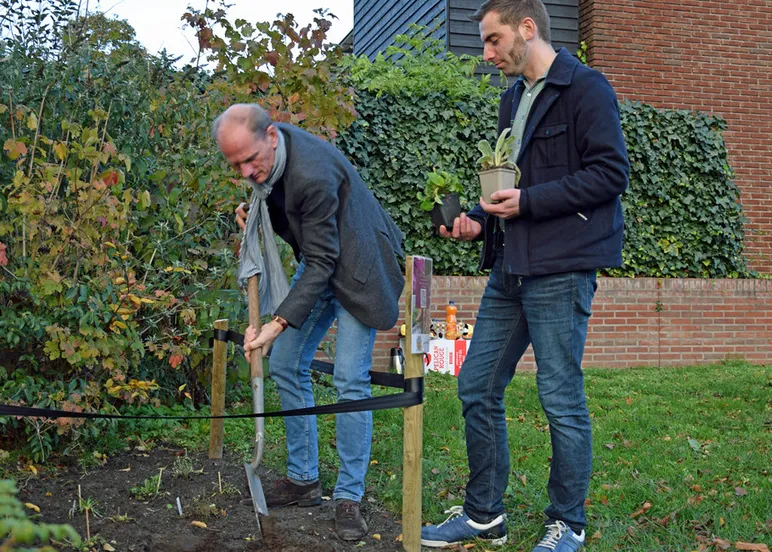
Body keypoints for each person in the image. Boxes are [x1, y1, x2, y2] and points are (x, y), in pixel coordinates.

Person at [420, 1, 630, 551]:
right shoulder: (513, 98)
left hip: (562, 268)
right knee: (476, 384)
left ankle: (569, 522)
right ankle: (485, 513)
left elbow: (610, 174)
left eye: (494, 40)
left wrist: (529, 201)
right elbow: (510, 185)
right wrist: (476, 219)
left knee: (559, 395)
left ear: (528, 28)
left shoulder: (585, 88)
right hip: (512, 268)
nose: (487, 54)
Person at [212, 103, 405, 541]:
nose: (245, 171)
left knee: (349, 380)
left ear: (272, 137)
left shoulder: (311, 173)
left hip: (359, 268)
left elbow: (322, 260)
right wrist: (255, 209)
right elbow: (284, 207)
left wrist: (276, 323)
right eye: (236, 164)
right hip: (322, 258)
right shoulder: (271, 159)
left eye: (250, 160)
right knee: (284, 364)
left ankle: (349, 497)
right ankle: (304, 480)